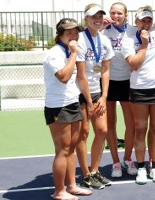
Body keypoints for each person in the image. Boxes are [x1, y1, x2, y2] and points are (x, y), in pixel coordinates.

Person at [121, 0, 155, 185]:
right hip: (139, 89)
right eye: (143, 20)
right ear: (136, 22)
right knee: (140, 129)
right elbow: (134, 64)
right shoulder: (128, 40)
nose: (147, 23)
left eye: (149, 19)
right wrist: (144, 45)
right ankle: (141, 168)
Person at [44, 18, 92, 200]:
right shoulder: (55, 53)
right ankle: (59, 191)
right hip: (58, 106)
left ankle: (71, 186)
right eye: (69, 32)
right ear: (60, 34)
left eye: (76, 32)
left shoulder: (67, 51)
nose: (74, 35)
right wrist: (73, 54)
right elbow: (63, 77)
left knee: (71, 147)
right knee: (62, 149)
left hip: (72, 102)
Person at [76, 4, 115, 189]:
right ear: (86, 19)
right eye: (93, 16)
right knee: (83, 133)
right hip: (80, 93)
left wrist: (104, 96)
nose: (97, 19)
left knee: (102, 131)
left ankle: (94, 170)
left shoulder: (105, 40)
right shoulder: (80, 40)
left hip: (97, 93)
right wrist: (90, 102)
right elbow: (81, 75)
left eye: (100, 16)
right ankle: (85, 174)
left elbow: (105, 71)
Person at [102, 2, 137, 178]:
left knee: (131, 124)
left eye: (119, 13)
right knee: (110, 124)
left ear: (126, 15)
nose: (116, 16)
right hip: (108, 81)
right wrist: (101, 26)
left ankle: (128, 158)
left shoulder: (132, 30)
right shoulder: (103, 30)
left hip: (128, 81)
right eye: (113, 13)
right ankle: (115, 162)